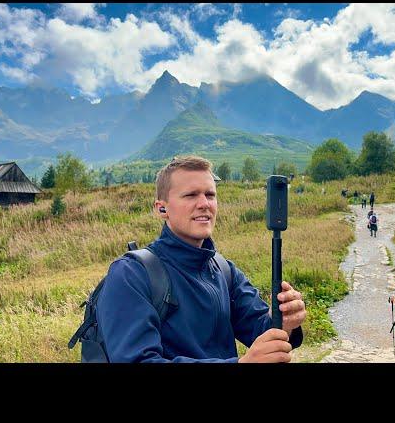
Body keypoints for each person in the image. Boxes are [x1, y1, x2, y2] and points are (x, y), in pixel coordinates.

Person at [96, 155, 306, 362]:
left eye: (210, 195)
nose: (204, 203)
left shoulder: (224, 271)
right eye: (191, 195)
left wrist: (284, 321)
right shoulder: (131, 274)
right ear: (161, 208)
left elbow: (259, 329)